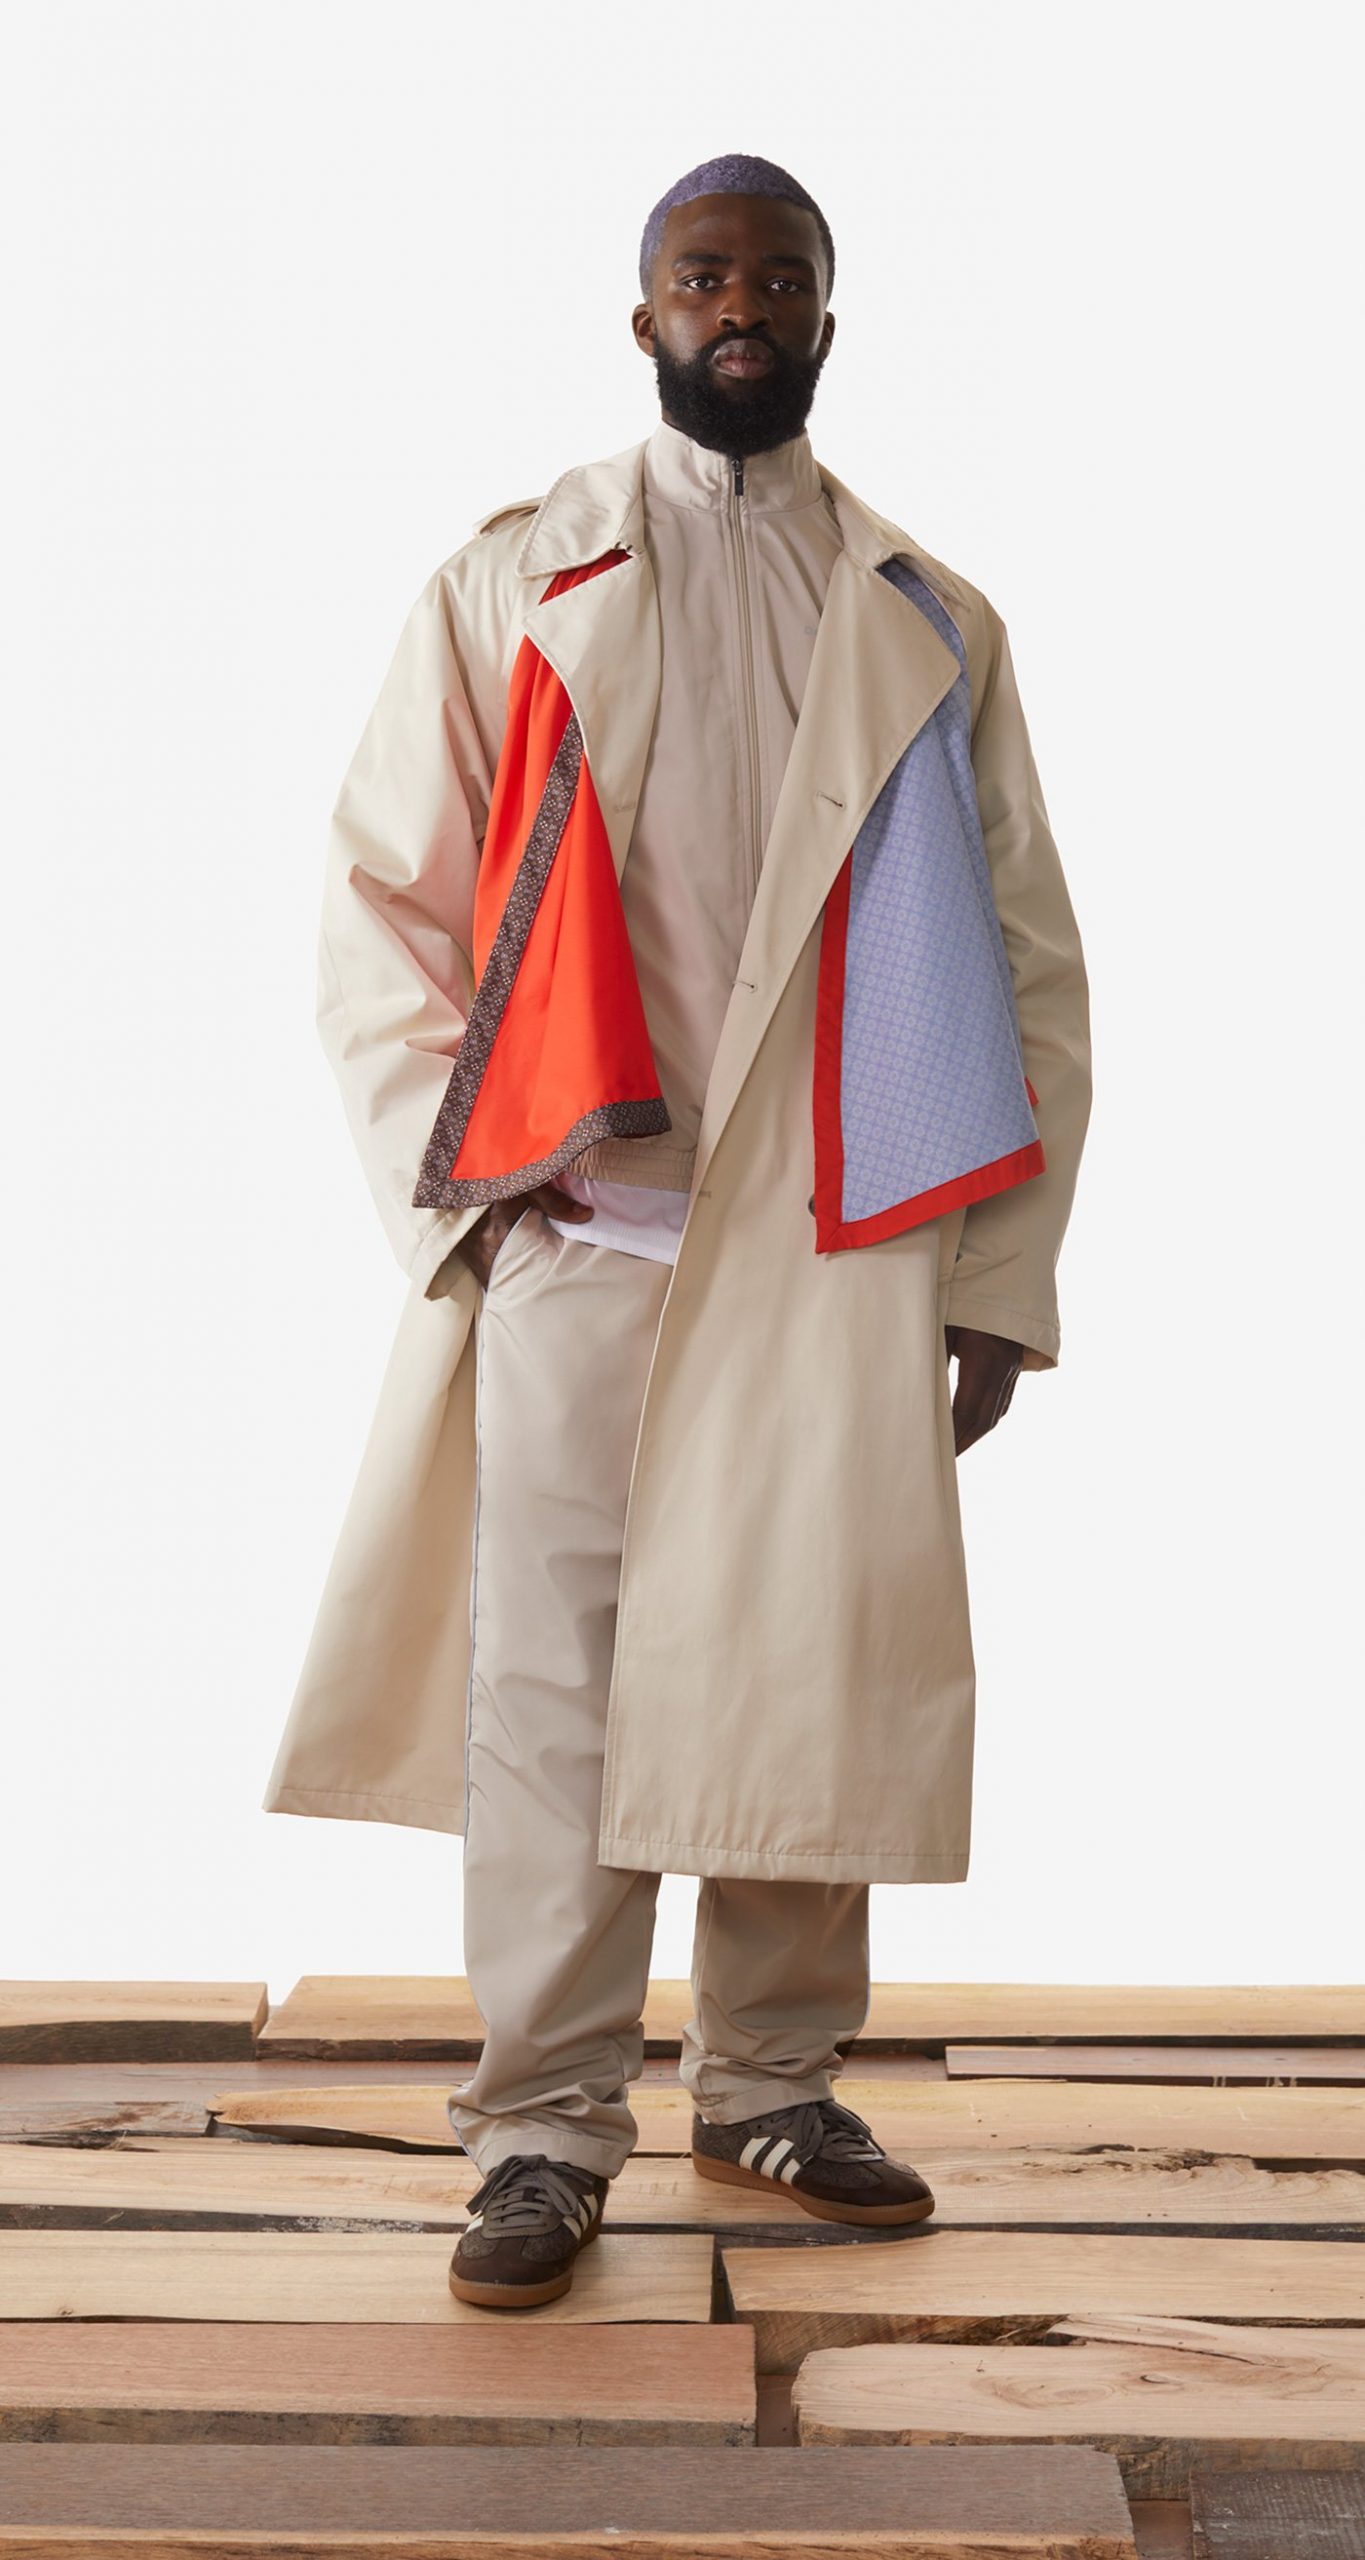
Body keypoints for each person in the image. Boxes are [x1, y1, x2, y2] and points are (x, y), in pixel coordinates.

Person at [261, 152, 1092, 2311]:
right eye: (703, 276)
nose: (742, 307)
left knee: (806, 1663)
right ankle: (542, 2126)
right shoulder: (515, 581)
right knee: (551, 1691)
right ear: (642, 316)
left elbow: (1025, 967)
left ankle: (770, 2082)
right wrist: (474, 1208)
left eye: (778, 278)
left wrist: (994, 1278)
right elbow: (381, 902)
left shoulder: (925, 616)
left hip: (838, 1231)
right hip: (587, 1226)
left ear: (825, 315)